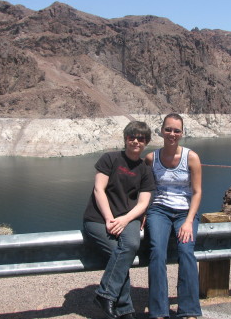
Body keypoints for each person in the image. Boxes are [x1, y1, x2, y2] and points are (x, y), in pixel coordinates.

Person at [83, 120, 155, 319]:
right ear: (125, 138)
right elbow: (99, 189)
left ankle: (105, 294)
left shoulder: (145, 170)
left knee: (130, 245)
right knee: (118, 254)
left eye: (141, 138)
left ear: (146, 142)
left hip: (129, 217)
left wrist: (125, 220)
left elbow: (143, 202)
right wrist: (109, 218)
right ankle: (124, 311)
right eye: (131, 137)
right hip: (98, 218)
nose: (135, 142)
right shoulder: (110, 158)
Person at [145, 113, 202, 319]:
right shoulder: (151, 158)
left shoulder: (191, 157)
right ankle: (158, 311)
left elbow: (197, 192)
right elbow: (147, 190)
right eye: (168, 129)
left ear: (182, 133)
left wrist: (188, 221)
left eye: (176, 130)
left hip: (185, 212)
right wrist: (143, 212)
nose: (172, 134)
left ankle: (189, 310)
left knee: (186, 251)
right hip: (159, 210)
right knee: (157, 252)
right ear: (161, 131)